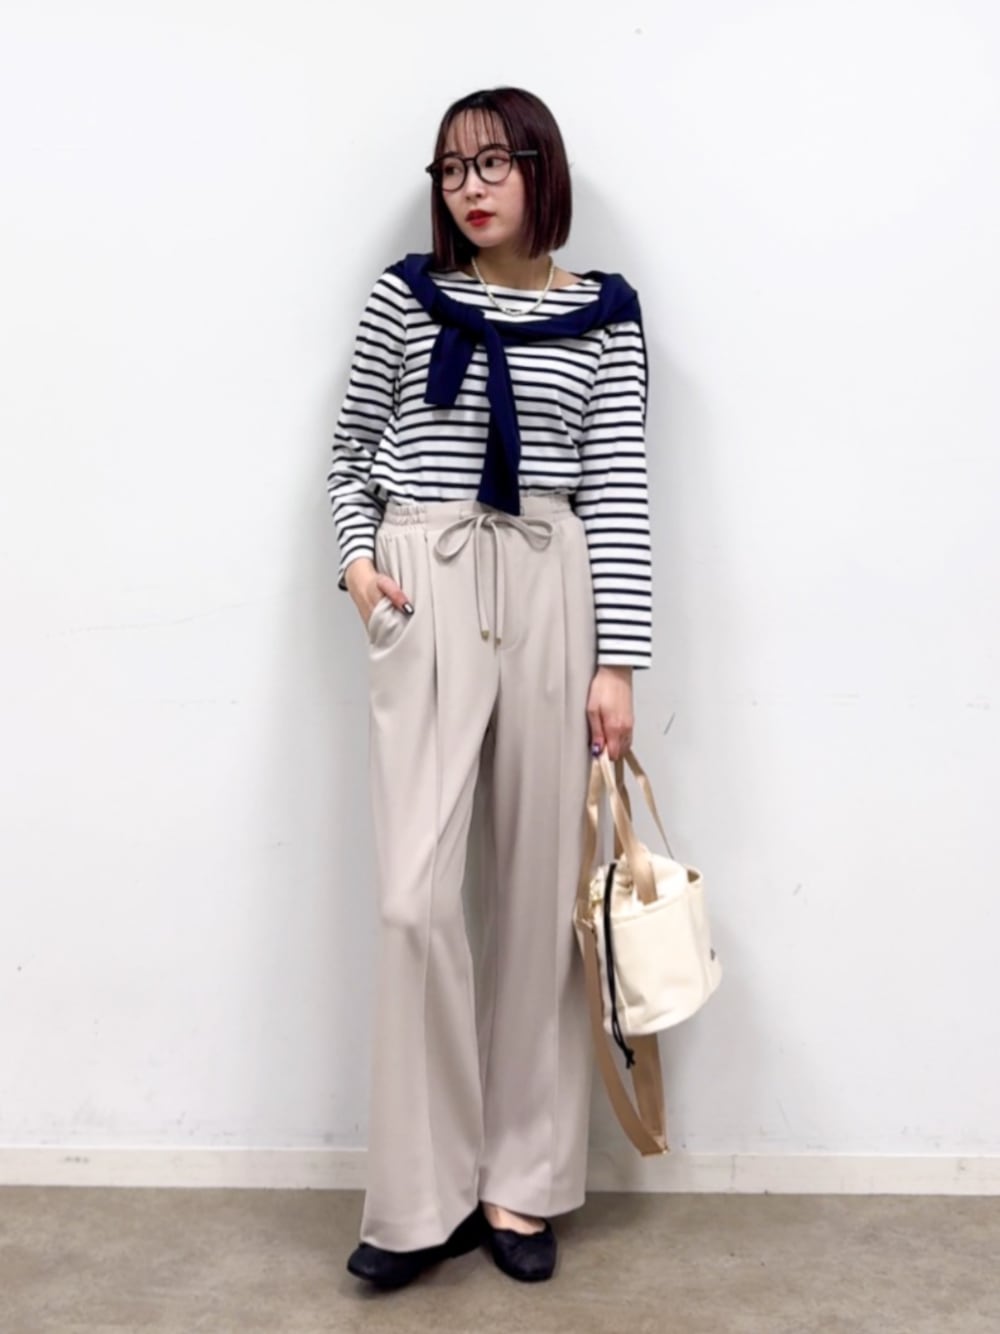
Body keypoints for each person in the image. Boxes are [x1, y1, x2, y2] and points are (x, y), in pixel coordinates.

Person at [326, 85, 652, 1289]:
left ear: (539, 171)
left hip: (553, 581)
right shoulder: (403, 297)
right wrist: (358, 569)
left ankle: (522, 1180)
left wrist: (616, 659)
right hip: (424, 578)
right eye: (452, 167)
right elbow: (350, 449)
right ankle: (419, 1199)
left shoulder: (604, 314)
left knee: (535, 898)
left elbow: (618, 488)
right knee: (413, 900)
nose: (470, 186)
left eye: (495, 162)